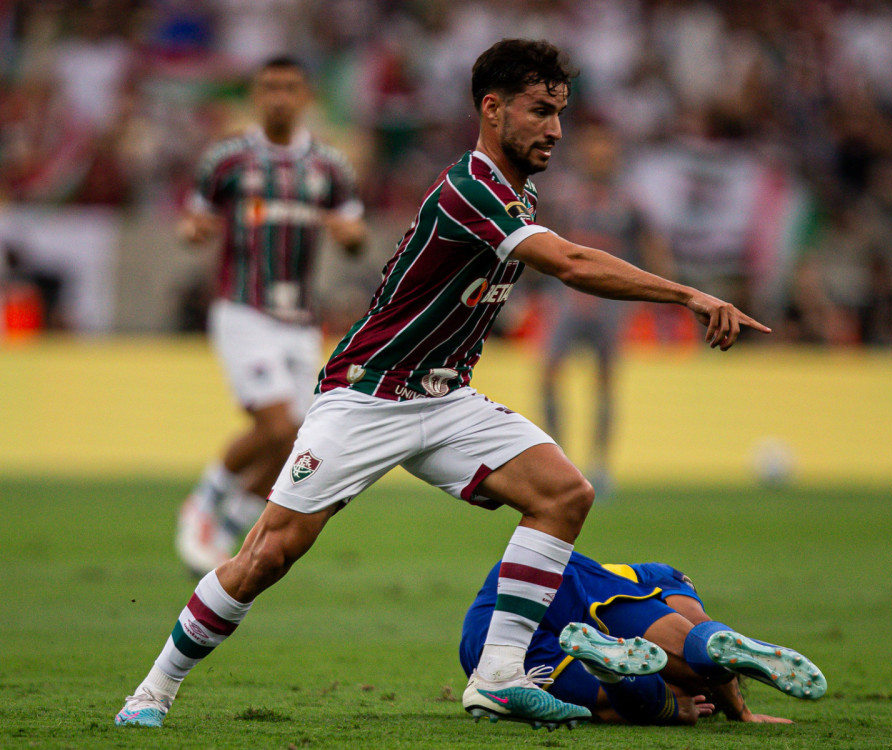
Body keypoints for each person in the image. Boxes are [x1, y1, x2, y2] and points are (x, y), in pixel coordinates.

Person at [115, 38, 768, 731]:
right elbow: (571, 263)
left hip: (444, 397)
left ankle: (498, 678)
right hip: (368, 394)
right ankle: (151, 691)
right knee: (269, 554)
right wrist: (688, 295)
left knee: (564, 493)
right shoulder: (472, 186)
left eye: (561, 113)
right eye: (540, 110)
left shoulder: (522, 190)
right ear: (492, 108)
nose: (554, 128)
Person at [175, 55, 367, 576]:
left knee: (299, 436)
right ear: (256, 97)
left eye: (290, 86)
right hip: (243, 308)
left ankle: (234, 517)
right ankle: (205, 501)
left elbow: (354, 233)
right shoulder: (228, 160)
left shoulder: (331, 167)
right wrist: (193, 230)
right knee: (276, 422)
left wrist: (351, 238)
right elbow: (194, 216)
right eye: (269, 88)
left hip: (300, 318)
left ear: (306, 97)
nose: (279, 96)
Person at [460, 552, 827, 726]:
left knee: (604, 707)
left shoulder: (654, 575)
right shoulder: (664, 576)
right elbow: (700, 626)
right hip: (566, 583)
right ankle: (615, 675)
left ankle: (611, 672)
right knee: (692, 663)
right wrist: (740, 712)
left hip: (496, 616)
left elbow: (700, 628)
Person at [538, 120, 672, 494]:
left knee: (605, 382)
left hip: (610, 304)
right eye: (593, 146)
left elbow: (652, 245)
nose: (599, 154)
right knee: (549, 373)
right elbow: (536, 239)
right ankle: (557, 459)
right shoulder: (563, 195)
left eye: (605, 147)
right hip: (564, 299)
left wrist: (661, 292)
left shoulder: (628, 201)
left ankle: (599, 465)